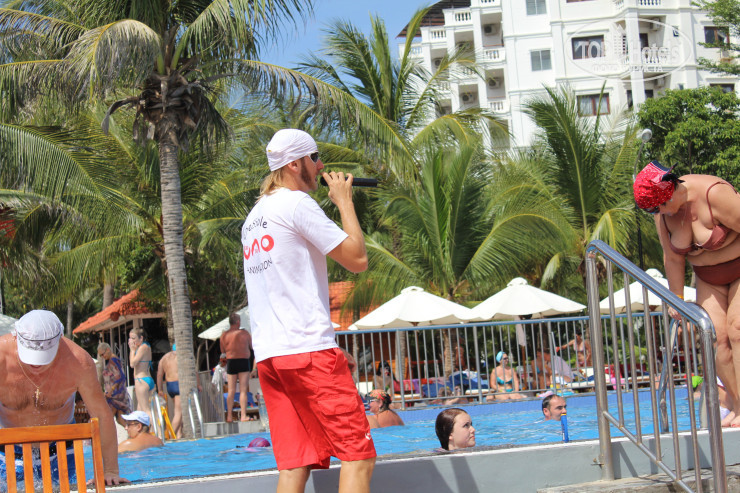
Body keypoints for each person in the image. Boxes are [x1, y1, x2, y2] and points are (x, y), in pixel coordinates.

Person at [241, 128, 376, 493]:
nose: (321, 165)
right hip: (307, 352)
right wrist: (344, 201)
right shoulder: (296, 203)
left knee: (295, 465)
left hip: (271, 358)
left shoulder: (253, 218)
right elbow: (357, 259)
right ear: (294, 164)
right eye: (314, 158)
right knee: (358, 455)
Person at [634, 161, 740, 427]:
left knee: (737, 329)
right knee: (715, 337)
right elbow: (672, 257)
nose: (657, 213)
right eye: (652, 210)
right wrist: (677, 298)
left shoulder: (714, 194)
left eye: (658, 207)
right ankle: (738, 405)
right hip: (709, 278)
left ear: (669, 191)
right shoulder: (664, 216)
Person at [0, 310, 128, 485]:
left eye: (43, 358)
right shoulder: (1, 358)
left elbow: (101, 415)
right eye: (30, 356)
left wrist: (110, 471)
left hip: (61, 447)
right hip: (7, 447)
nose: (36, 364)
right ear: (16, 337)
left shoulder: (78, 362)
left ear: (60, 340)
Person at [220, 312, 253, 422]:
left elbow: (223, 351)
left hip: (231, 362)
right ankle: (243, 416)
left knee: (231, 390)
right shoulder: (245, 333)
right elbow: (252, 346)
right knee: (243, 390)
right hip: (243, 361)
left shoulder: (224, 335)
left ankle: (229, 416)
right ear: (238, 322)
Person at [97, 342, 132, 427]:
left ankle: (103, 435)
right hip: (118, 394)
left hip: (115, 396)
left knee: (107, 419)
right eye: (100, 355)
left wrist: (111, 390)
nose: (102, 357)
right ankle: (133, 432)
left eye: (102, 354)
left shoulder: (113, 361)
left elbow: (119, 377)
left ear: (108, 350)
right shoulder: (114, 360)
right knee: (120, 419)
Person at [156, 345, 183, 438]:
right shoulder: (181, 356)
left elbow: (159, 375)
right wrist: (198, 384)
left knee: (177, 411)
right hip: (178, 384)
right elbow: (194, 371)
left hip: (170, 386)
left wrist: (160, 389)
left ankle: (179, 435)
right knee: (179, 413)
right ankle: (171, 435)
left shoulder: (164, 358)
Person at [128, 327, 154, 423]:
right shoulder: (145, 347)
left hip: (141, 380)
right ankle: (144, 431)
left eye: (134, 338)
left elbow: (132, 364)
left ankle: (157, 431)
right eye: (130, 338)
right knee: (140, 411)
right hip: (147, 379)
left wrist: (132, 350)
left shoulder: (143, 347)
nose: (131, 341)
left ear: (141, 338)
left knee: (146, 410)